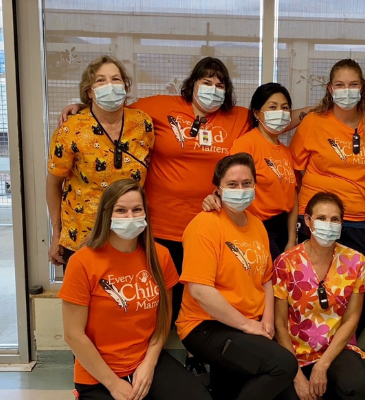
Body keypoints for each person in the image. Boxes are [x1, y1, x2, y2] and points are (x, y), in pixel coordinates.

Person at [59, 58, 310, 350]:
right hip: (158, 228)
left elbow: (278, 116)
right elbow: (114, 107)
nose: (212, 90)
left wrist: (322, 106)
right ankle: (146, 357)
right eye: (206, 83)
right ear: (192, 84)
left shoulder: (238, 117)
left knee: (206, 301)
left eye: (220, 85)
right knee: (160, 301)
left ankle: (199, 358)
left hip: (208, 228)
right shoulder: (159, 107)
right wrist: (80, 108)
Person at [59, 179, 211, 400]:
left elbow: (162, 321)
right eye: (120, 210)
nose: (130, 217)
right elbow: (73, 335)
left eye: (136, 210)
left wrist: (149, 364)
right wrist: (113, 384)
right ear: (106, 214)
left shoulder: (160, 256)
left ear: (145, 213)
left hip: (146, 362)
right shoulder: (82, 262)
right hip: (98, 374)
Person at [176, 153, 298, 400]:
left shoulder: (256, 225)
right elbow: (200, 290)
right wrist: (247, 326)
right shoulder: (204, 226)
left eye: (246, 183)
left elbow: (266, 278)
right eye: (232, 185)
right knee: (284, 365)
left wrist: (268, 319)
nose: (240, 190)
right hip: (205, 325)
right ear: (218, 189)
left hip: (247, 322)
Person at [290, 59, 365, 337]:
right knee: (311, 288)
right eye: (340, 85)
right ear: (330, 88)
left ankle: (342, 347)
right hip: (316, 221)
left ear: (363, 87)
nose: (347, 91)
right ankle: (313, 347)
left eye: (353, 84)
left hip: (360, 222)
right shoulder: (313, 123)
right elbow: (294, 175)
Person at [47, 55, 154, 270]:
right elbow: (53, 185)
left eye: (116, 79)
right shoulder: (71, 129)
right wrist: (56, 234)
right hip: (82, 238)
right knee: (83, 302)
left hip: (131, 236)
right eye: (100, 81)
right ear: (89, 91)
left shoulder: (143, 124)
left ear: (125, 86)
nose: (110, 86)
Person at [274, 192, 365, 400]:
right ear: (308, 221)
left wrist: (323, 365)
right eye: (321, 218)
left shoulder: (356, 261)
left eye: (334, 219)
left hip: (336, 348)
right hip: (293, 351)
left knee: (362, 387)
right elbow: (279, 323)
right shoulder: (286, 262)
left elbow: (352, 318)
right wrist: (297, 375)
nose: (328, 225)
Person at [202, 82, 298, 260]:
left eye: (285, 108)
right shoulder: (246, 144)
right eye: (272, 107)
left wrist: (292, 239)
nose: (280, 112)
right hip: (258, 227)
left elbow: (292, 197)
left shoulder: (286, 151)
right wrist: (214, 196)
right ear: (256, 113)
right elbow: (230, 181)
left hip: (284, 228)